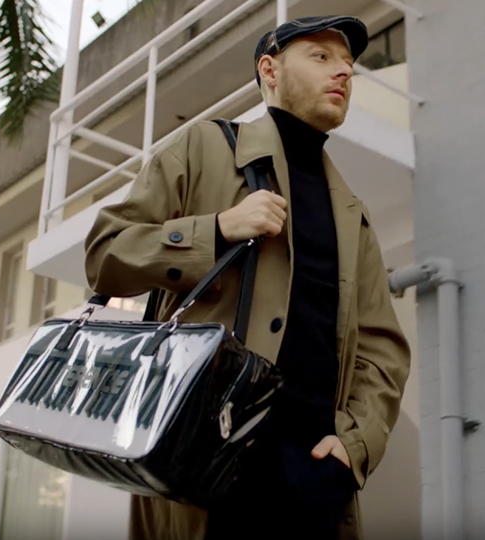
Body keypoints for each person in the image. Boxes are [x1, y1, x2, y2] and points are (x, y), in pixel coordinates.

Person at [84, 15, 412, 540]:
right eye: (321, 57)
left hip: (314, 482)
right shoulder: (203, 149)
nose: (344, 72)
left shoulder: (352, 213)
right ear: (270, 70)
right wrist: (216, 230)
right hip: (204, 474)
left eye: (349, 63)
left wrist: (355, 445)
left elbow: (381, 349)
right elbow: (105, 254)